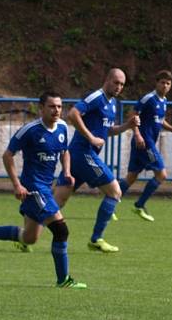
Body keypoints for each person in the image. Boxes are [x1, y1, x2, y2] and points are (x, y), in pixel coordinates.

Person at [0, 92, 87, 289]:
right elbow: (7, 155)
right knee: (61, 230)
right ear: (41, 108)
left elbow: (65, 151)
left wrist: (67, 171)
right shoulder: (29, 131)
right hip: (33, 188)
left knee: (29, 238)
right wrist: (17, 185)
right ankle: (63, 280)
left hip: (46, 187)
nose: (56, 110)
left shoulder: (62, 127)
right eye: (52, 106)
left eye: (59, 107)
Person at [53, 68, 140, 253]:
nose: (119, 87)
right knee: (115, 192)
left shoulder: (113, 103)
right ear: (107, 80)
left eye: (122, 84)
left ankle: (25, 236)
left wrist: (127, 126)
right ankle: (96, 239)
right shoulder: (96, 97)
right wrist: (91, 138)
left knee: (56, 201)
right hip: (84, 153)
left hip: (79, 156)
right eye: (116, 82)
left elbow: (107, 130)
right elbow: (73, 114)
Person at [118, 70, 172, 221]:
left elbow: (160, 120)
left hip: (143, 143)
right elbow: (132, 115)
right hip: (144, 142)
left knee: (131, 177)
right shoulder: (148, 98)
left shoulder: (164, 101)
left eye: (168, 83)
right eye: (162, 82)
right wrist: (137, 134)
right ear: (156, 82)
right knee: (161, 174)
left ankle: (110, 203)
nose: (165, 86)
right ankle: (139, 205)